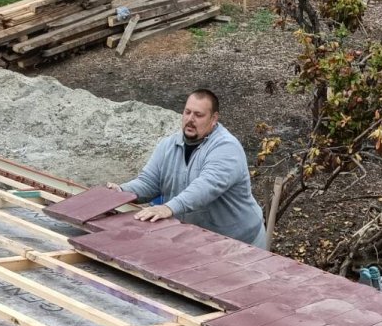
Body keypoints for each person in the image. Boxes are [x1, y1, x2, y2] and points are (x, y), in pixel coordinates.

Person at [107, 89, 268, 249]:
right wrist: (122, 192)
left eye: (198, 115)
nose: (190, 119)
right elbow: (149, 182)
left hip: (240, 244)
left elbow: (204, 189)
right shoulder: (168, 145)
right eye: (187, 112)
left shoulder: (226, 148)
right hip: (197, 242)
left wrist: (169, 208)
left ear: (214, 119)